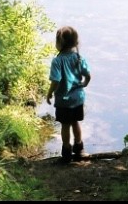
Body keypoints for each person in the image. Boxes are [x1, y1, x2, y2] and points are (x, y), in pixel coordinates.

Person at [46, 26, 91, 164]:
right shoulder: (78, 57)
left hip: (63, 100)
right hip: (78, 99)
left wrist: (49, 93)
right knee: (75, 123)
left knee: (65, 125)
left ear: (60, 42)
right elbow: (87, 75)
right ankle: (79, 149)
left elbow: (56, 80)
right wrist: (84, 84)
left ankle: (66, 153)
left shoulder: (57, 60)